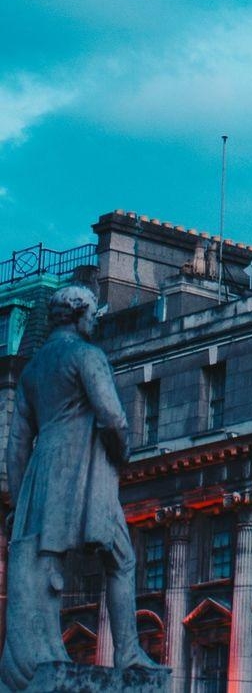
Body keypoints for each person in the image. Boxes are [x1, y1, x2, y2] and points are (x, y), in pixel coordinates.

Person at [0, 284, 158, 691]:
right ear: (77, 313)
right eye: (91, 313)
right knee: (121, 557)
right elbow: (112, 416)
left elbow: (17, 443)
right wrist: (121, 453)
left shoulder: (33, 370)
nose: (95, 319)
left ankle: (43, 649)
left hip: (41, 471)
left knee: (47, 563)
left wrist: (19, 501)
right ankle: (127, 652)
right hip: (85, 468)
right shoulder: (88, 356)